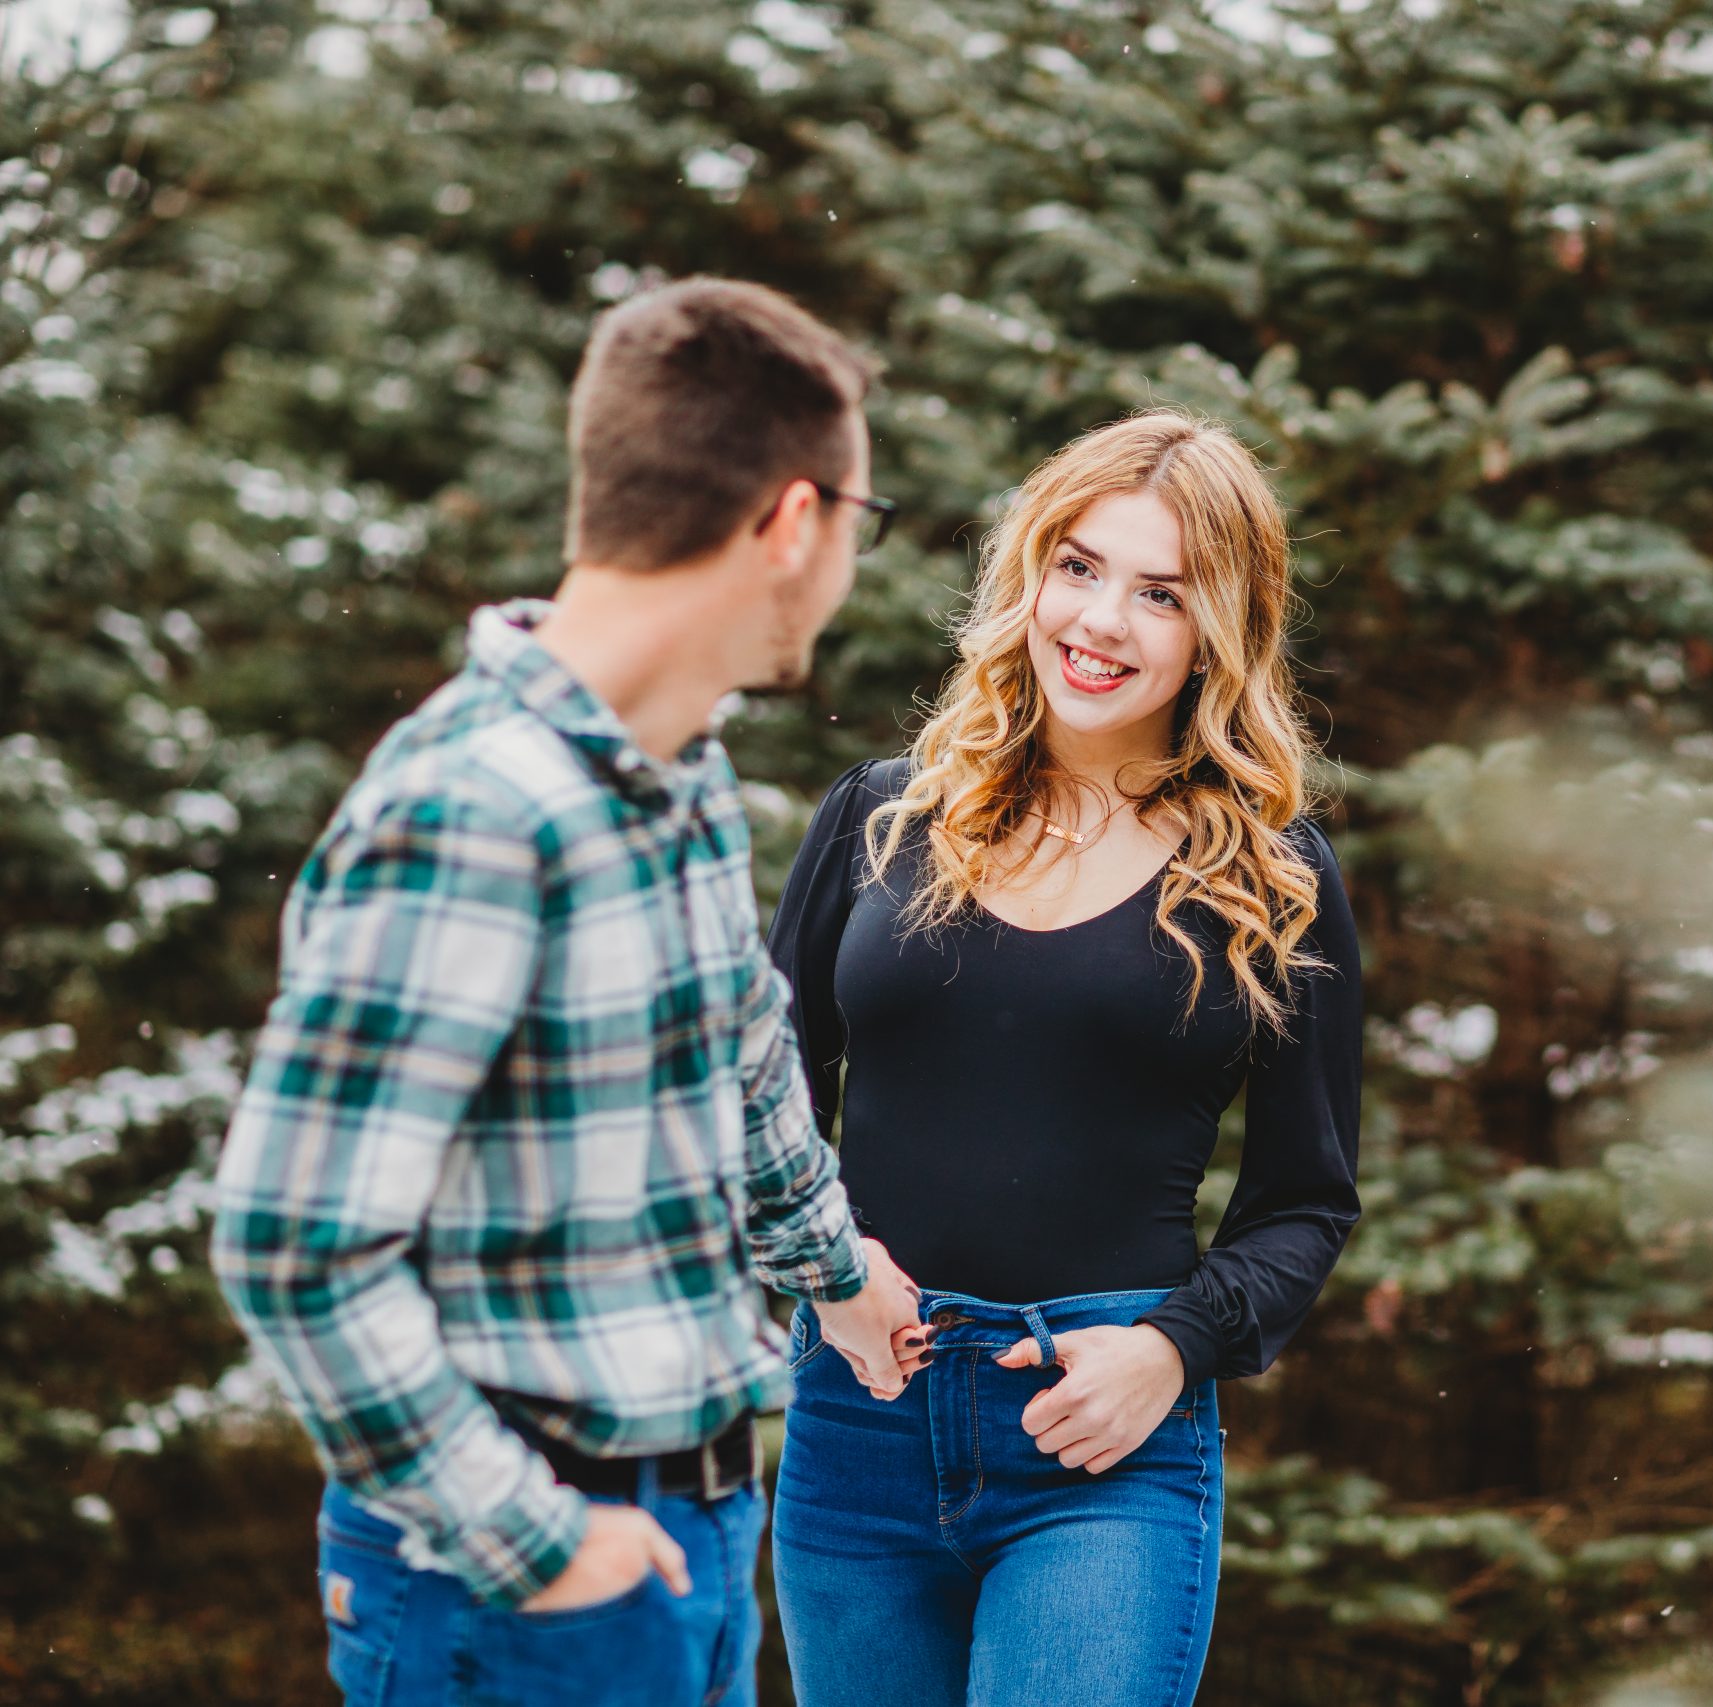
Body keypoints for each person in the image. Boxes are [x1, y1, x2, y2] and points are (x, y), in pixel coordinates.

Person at [208, 276, 929, 1707]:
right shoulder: (471, 810)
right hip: (522, 1579)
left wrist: (839, 1276)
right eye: (859, 521)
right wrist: (532, 1543)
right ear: (792, 522)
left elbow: (738, 1060)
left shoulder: (677, 768)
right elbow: (293, 1246)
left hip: (696, 1531)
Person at [763, 406, 1365, 1707]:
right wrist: (827, 1264)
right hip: (858, 1419)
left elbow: (1305, 1200)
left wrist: (1171, 1349)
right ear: (1028, 570)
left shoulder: (1273, 880)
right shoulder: (879, 819)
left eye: (1161, 594)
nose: (1100, 623)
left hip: (1103, 1440)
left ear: (1219, 630)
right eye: (1079, 567)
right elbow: (752, 1101)